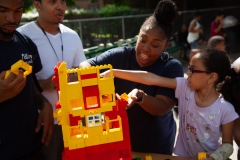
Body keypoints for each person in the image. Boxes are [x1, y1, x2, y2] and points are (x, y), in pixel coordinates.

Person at [80, 0, 183, 154]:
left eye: (155, 45)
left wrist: (140, 97)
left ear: (166, 45)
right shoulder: (120, 55)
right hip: (116, 140)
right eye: (142, 40)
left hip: (154, 146)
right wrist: (102, 90)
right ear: (138, 35)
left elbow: (163, 107)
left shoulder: (171, 67)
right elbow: (85, 65)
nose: (146, 49)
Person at [103, 47, 240, 160]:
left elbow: (228, 145)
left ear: (212, 77)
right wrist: (113, 72)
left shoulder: (225, 109)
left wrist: (214, 158)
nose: (188, 73)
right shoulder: (184, 87)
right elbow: (151, 78)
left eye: (193, 70)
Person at [17, 0, 86, 160]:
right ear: (37, 4)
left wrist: (75, 75)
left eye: (63, 1)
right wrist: (44, 85)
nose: (60, 6)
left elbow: (83, 68)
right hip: (40, 123)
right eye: (53, 1)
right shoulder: (22, 37)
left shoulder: (72, 35)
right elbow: (15, 85)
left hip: (73, 121)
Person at [0, 0, 54, 159]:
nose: (11, 18)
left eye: (18, 11)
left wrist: (44, 104)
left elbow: (31, 83)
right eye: (3, 10)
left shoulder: (26, 44)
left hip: (33, 148)